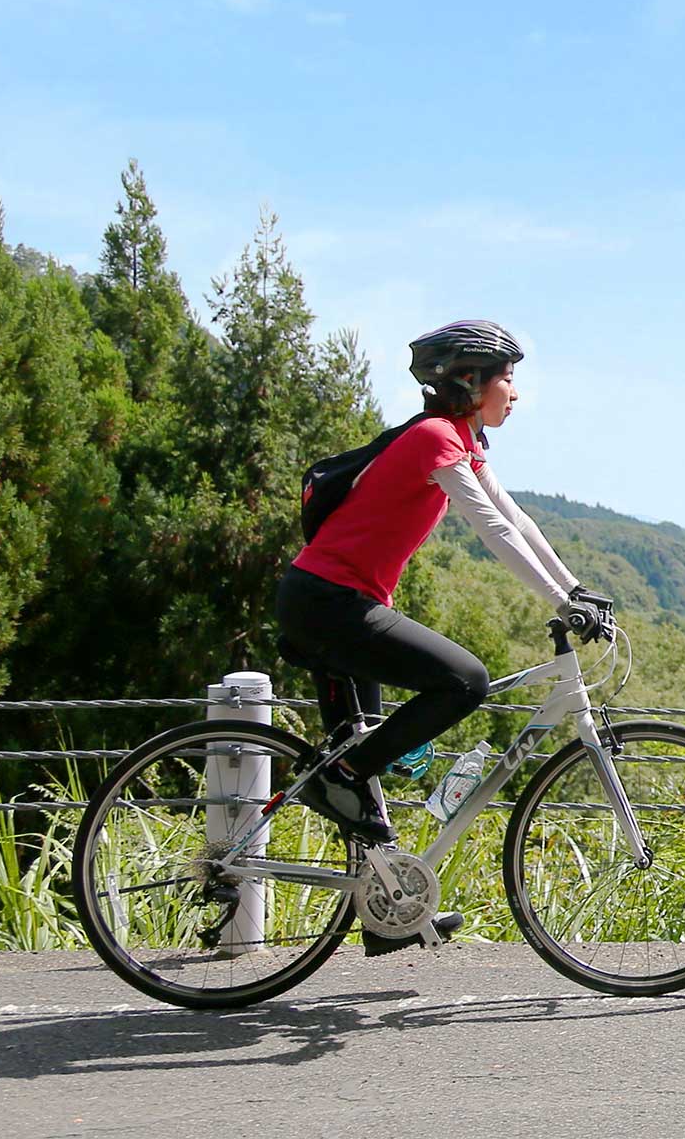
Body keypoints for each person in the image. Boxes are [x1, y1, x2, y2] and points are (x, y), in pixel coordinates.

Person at [273, 318, 614, 953]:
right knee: (465, 681)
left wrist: (575, 590)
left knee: (367, 757)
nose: (514, 392)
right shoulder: (434, 438)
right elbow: (493, 531)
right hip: (329, 605)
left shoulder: (454, 437)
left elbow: (517, 517)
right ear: (468, 381)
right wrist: (561, 602)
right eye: (507, 379)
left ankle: (386, 914)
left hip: (333, 602)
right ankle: (337, 778)